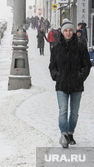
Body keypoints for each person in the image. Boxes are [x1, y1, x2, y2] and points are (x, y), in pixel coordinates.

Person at [49, 19, 92, 148]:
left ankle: (70, 132)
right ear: (62, 32)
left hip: (76, 85)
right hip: (61, 85)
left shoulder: (80, 47)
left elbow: (87, 65)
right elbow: (52, 66)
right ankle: (63, 134)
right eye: (66, 31)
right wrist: (56, 75)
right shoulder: (56, 48)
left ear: (73, 32)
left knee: (74, 112)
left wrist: (81, 77)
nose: (68, 33)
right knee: (63, 111)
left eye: (70, 30)